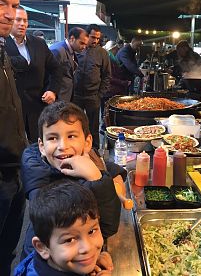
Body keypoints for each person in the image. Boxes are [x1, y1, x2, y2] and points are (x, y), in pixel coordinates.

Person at [21, 101, 126, 258]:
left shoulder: (80, 158)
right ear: (42, 146)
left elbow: (105, 164)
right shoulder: (41, 180)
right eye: (52, 138)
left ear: (87, 142)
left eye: (71, 136)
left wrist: (112, 175)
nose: (62, 145)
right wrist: (95, 177)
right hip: (47, 263)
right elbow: (107, 227)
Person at [14, 179, 113, 275]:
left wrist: (93, 259)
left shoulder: (53, 262)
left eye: (91, 231)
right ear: (42, 247)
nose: (87, 247)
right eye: (69, 240)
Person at [0, 0, 28, 275]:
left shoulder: (3, 52)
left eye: (15, 5)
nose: (9, 14)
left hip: (14, 172)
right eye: (1, 3)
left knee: (8, 250)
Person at [5, 6, 62, 143]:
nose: (22, 24)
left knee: (39, 145)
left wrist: (52, 90)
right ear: (10, 21)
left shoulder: (38, 43)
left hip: (37, 106)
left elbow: (56, 69)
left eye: (25, 20)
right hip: (11, 109)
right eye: (18, 20)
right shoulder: (2, 44)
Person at [73, 24, 111, 149]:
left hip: (93, 96)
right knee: (75, 124)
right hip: (76, 96)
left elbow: (106, 76)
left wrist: (99, 95)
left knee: (93, 127)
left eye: (98, 38)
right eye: (93, 37)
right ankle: (77, 148)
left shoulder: (103, 53)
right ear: (86, 35)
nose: (95, 41)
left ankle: (94, 151)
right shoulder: (78, 49)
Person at [50, 27, 88, 102]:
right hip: (57, 99)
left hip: (66, 97)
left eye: (85, 44)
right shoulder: (58, 51)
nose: (84, 47)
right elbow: (50, 77)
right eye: (82, 43)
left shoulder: (71, 51)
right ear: (72, 39)